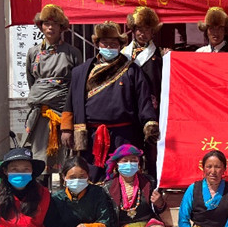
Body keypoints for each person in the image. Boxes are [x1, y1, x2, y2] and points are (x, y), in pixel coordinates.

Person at [60, 22, 158, 181]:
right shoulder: (81, 72)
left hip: (124, 134)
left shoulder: (131, 70)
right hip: (91, 135)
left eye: (113, 44)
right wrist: (66, 129)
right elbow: (71, 101)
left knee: (123, 175)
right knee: (92, 175)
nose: (109, 47)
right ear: (97, 44)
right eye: (105, 43)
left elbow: (143, 99)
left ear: (120, 45)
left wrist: (150, 124)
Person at [24, 5, 81, 175]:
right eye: (47, 23)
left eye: (55, 24)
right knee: (39, 156)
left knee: (65, 156)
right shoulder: (33, 53)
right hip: (40, 111)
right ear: (41, 26)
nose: (50, 27)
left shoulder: (72, 52)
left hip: (63, 111)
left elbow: (77, 85)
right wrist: (43, 95)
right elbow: (32, 81)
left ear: (61, 27)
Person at [121, 6, 164, 114]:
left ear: (152, 32)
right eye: (140, 29)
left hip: (151, 102)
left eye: (147, 30)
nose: (143, 34)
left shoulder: (160, 54)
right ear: (134, 30)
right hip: (129, 102)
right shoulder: (124, 53)